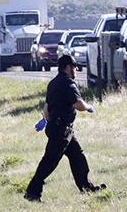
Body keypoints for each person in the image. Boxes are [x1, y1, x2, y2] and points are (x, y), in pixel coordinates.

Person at [24, 54, 105, 202]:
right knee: (49, 161)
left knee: (77, 157)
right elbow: (78, 104)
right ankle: (32, 192)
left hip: (59, 128)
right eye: (74, 67)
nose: (76, 70)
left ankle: (86, 187)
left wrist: (46, 120)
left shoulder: (53, 83)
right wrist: (88, 106)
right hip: (61, 130)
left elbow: (47, 108)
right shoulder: (68, 84)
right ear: (67, 67)